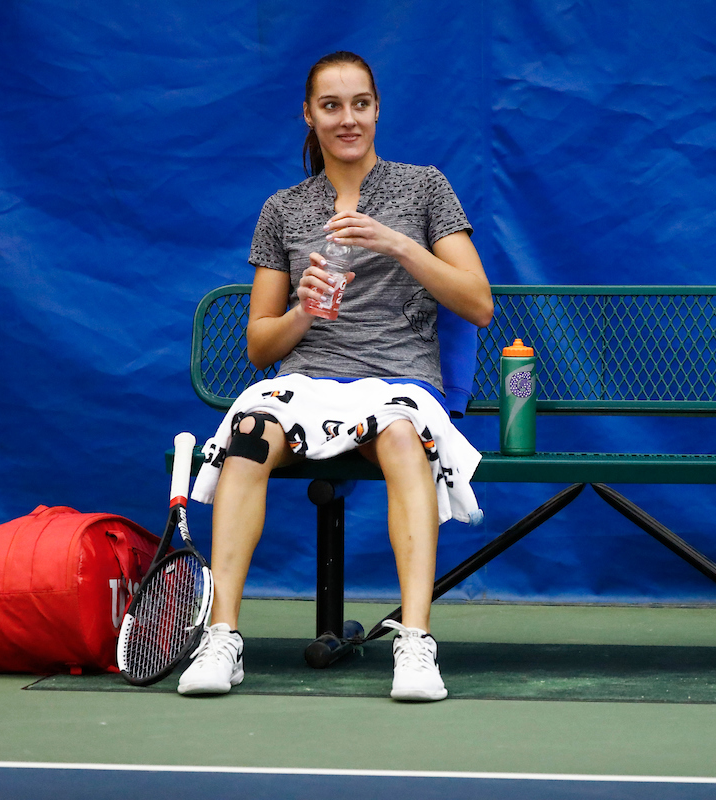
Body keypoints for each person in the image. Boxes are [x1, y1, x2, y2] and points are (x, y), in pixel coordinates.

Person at [177, 51, 492, 702]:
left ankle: (414, 643)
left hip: (400, 381)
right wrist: (303, 312)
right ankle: (222, 637)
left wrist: (399, 244)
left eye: (360, 104)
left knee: (403, 438)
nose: (348, 118)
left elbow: (478, 303)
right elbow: (262, 345)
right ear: (308, 115)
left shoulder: (424, 188)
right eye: (331, 106)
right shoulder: (285, 209)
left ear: (377, 109)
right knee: (248, 434)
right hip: (308, 384)